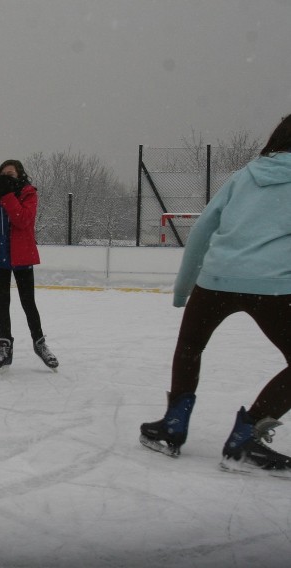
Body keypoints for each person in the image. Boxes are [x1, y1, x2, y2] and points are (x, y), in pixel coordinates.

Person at [140, 114, 291, 476]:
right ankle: (246, 437)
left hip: (215, 280)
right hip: (272, 285)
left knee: (190, 346)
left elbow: (203, 228)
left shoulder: (245, 175)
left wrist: (183, 288)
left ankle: (173, 427)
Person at [0, 159, 59, 374]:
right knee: (2, 303)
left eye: (11, 175)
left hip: (22, 257)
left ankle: (39, 344)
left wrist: (8, 195)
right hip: (0, 258)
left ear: (20, 176)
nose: (7, 178)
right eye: (4, 174)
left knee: (28, 302)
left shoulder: (28, 194)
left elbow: (23, 220)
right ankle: (5, 348)